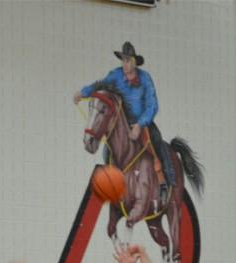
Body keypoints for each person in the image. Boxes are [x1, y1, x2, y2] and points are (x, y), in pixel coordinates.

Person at [74, 41, 175, 202]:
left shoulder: (145, 78)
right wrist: (84, 92)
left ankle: (167, 183)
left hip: (142, 123)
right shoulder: (115, 74)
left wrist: (140, 125)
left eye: (128, 60)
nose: (125, 64)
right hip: (121, 123)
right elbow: (100, 85)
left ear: (134, 62)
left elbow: (152, 105)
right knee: (107, 151)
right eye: (123, 60)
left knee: (158, 144)